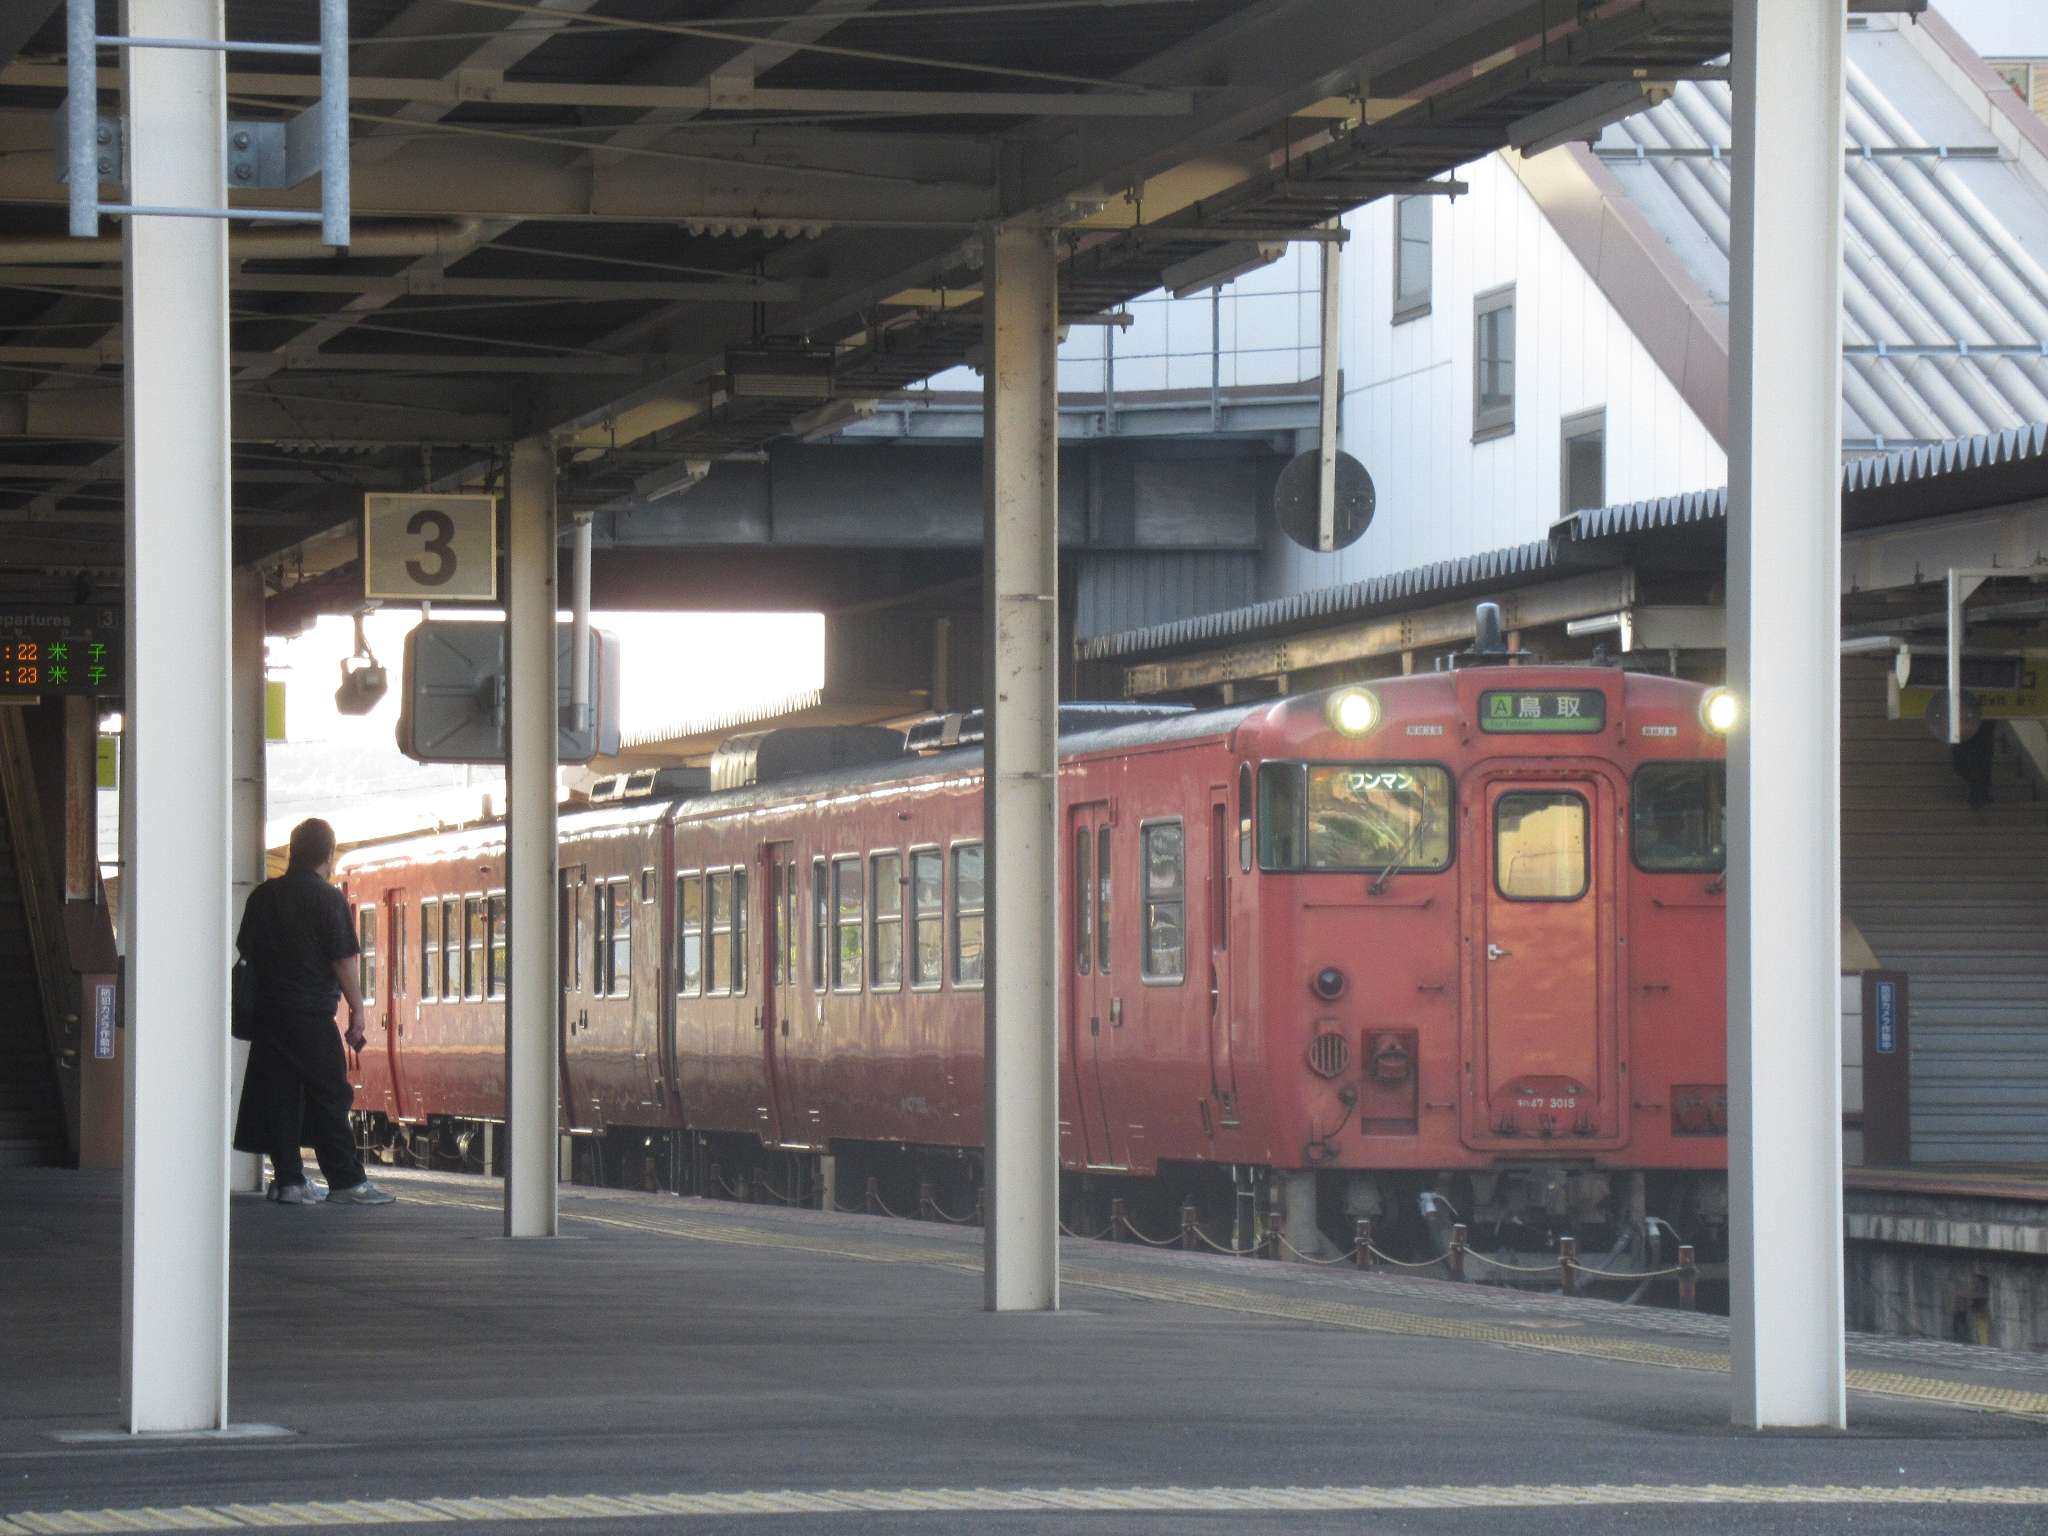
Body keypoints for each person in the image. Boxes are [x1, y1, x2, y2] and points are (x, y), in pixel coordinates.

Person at [232, 817, 395, 1206]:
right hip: (308, 1015)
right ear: (328, 854)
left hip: (268, 1016)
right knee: (329, 1095)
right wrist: (357, 1010)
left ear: (292, 851)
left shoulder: (263, 897)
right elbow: (343, 960)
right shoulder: (327, 899)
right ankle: (347, 1181)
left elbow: (246, 952)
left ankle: (288, 1180)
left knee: (280, 1096)